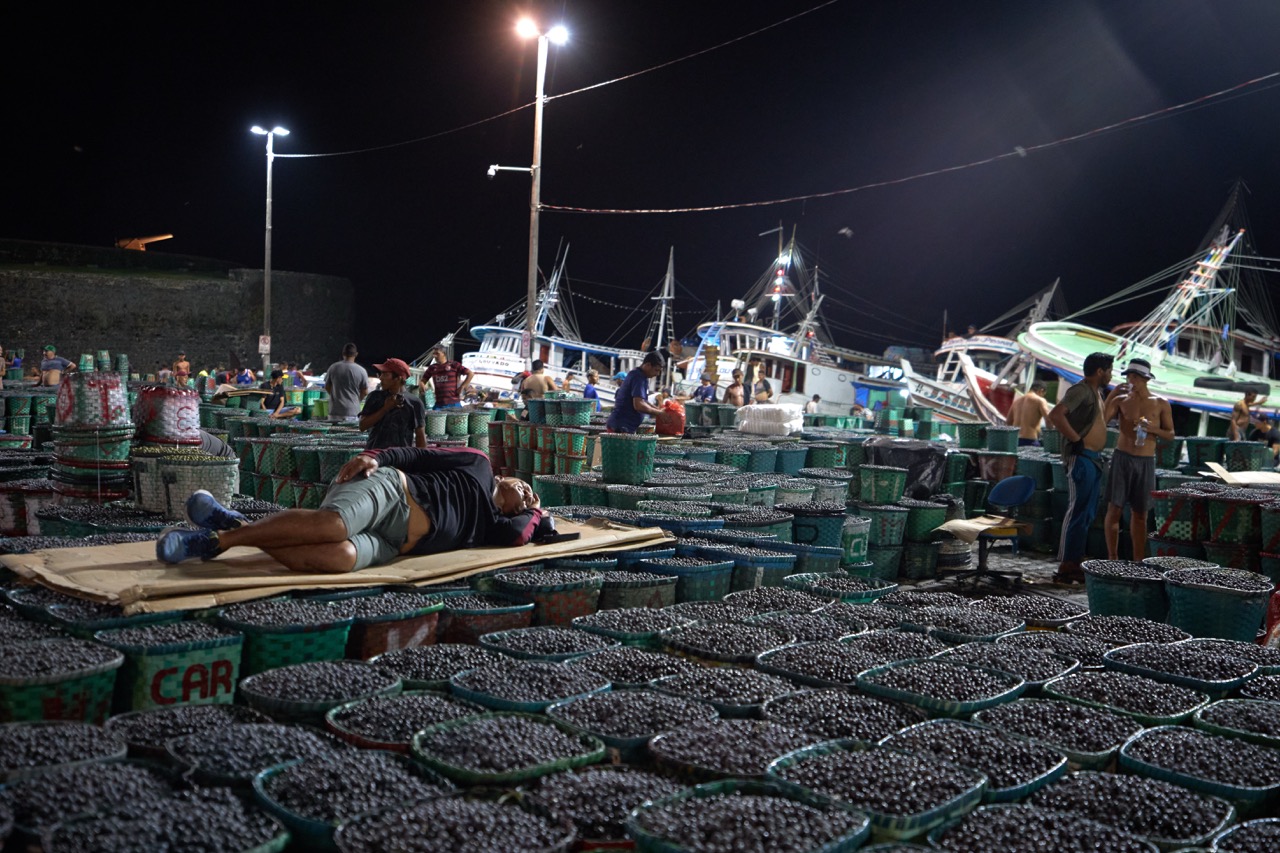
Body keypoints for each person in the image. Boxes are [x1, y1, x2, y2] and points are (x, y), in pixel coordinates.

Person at [155, 446, 551, 572]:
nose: (529, 496)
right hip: (393, 491)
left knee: (340, 557)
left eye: (531, 500)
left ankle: (235, 526)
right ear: (505, 477)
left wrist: (539, 513)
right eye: (526, 487)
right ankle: (214, 540)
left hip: (393, 544)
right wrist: (374, 456)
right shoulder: (479, 465)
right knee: (334, 526)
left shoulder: (495, 527)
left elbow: (520, 534)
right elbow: (417, 454)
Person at [1046, 352, 1114, 583]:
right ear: (1099, 372)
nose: (1111, 375)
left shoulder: (1098, 394)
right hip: (1082, 457)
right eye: (1109, 370)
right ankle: (1066, 564)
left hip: (1094, 458)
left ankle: (1075, 561)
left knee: (1087, 513)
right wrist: (1076, 440)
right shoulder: (1081, 390)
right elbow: (1056, 415)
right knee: (1076, 511)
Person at [1101, 358, 1174, 561]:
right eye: (1128, 376)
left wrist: (1153, 429)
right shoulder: (1120, 400)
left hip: (1145, 460)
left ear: (1145, 379)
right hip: (1122, 457)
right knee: (1114, 509)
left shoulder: (1160, 403)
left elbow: (1170, 434)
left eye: (1135, 376)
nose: (1131, 380)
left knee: (1140, 513)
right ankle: (1112, 557)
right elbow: (1102, 421)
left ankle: (1138, 560)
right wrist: (1111, 396)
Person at [360, 357, 426, 450]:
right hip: (375, 456)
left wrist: (421, 461)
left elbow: (420, 436)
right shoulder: (375, 397)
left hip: (401, 458)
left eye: (385, 374)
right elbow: (362, 426)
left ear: (398, 378)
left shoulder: (415, 403)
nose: (380, 377)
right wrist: (385, 408)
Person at [606, 351, 666, 433]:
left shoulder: (642, 377)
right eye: (656, 370)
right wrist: (659, 413)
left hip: (625, 427)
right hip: (620, 428)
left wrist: (658, 409)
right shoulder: (638, 377)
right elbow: (639, 405)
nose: (657, 374)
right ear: (648, 365)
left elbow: (643, 401)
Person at [325, 343, 368, 423]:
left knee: (333, 435)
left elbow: (327, 386)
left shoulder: (333, 367)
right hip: (353, 412)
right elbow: (365, 392)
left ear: (343, 353)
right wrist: (356, 400)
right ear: (356, 354)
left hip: (334, 412)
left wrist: (336, 396)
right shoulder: (361, 371)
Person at [1006, 381, 1053, 446]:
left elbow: (1008, 421)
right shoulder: (1040, 400)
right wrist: (1051, 436)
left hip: (1016, 441)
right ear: (1041, 390)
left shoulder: (1016, 401)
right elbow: (1048, 419)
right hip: (1030, 440)